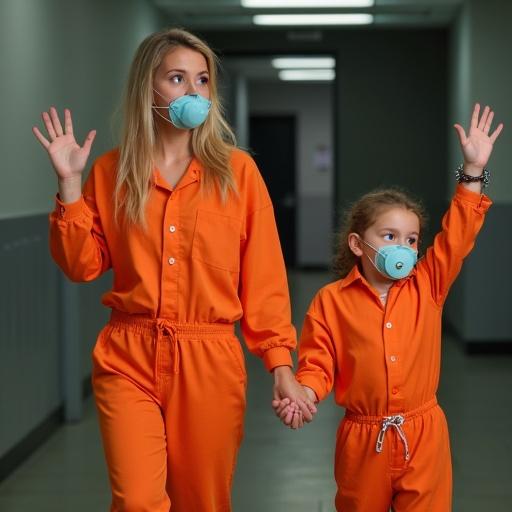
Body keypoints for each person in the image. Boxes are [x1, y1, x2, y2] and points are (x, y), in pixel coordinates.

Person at [32, 27, 316, 511]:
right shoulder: (111, 171)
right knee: (138, 501)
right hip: (128, 356)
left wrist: (282, 366)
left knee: (201, 502)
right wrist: (71, 186)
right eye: (178, 78)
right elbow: (82, 266)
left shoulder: (238, 174)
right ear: (149, 90)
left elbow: (264, 280)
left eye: (202, 80)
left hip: (209, 360)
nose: (193, 91)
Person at [272, 103, 503, 511]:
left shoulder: (428, 284)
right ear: (358, 245)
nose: (404, 248)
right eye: (390, 236)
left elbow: (458, 234)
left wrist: (472, 173)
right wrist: (305, 393)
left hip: (424, 435)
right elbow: (318, 363)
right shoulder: (330, 302)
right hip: (363, 443)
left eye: (412, 240)